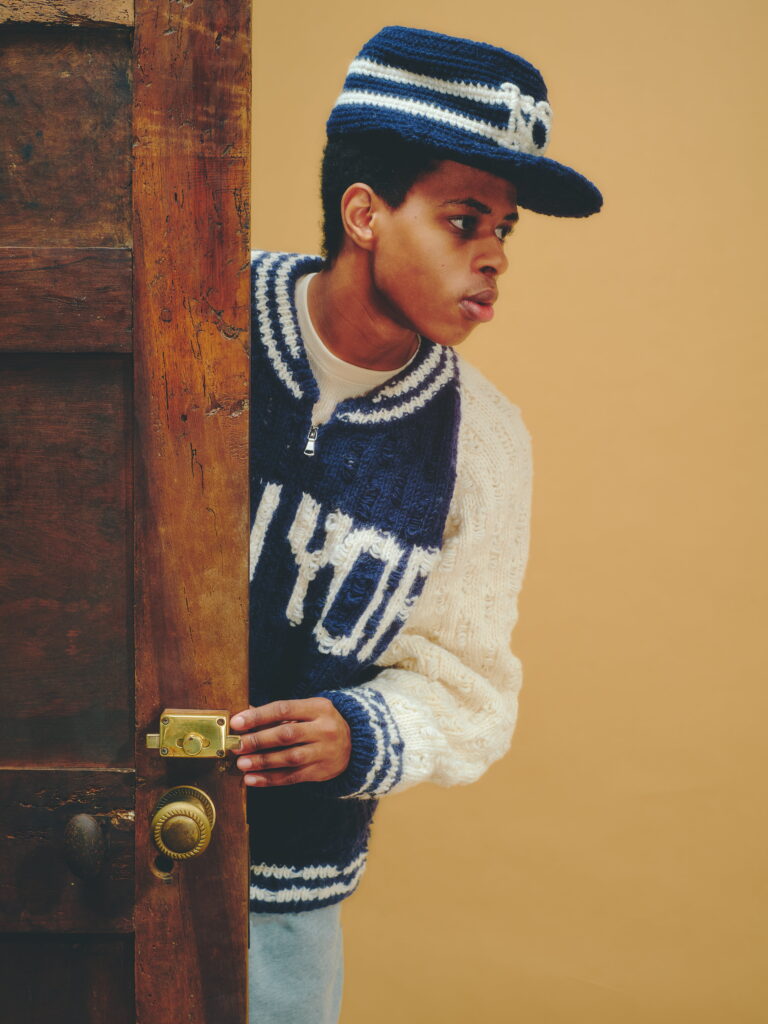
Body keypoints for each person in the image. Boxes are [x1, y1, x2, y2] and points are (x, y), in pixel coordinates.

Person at [230, 24, 602, 1023]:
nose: (495, 257)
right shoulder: (204, 311)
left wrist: (361, 730)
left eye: (505, 230)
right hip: (86, 844)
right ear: (365, 212)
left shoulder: (482, 442)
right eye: (464, 220)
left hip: (285, 904)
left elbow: (470, 686)